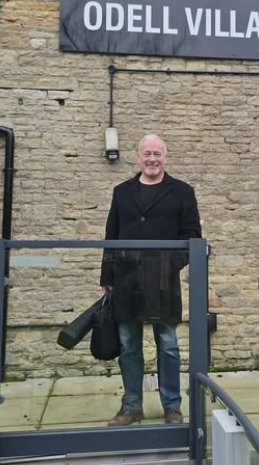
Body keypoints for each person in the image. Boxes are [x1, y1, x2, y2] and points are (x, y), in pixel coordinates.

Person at [100, 134, 202, 426]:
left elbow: (192, 236)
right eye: (147, 154)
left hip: (162, 280)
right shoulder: (122, 192)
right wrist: (107, 276)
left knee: (168, 344)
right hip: (126, 279)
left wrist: (169, 266)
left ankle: (172, 405)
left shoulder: (182, 192)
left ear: (165, 157)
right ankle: (132, 405)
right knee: (128, 344)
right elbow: (111, 236)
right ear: (139, 157)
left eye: (157, 154)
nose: (152, 159)